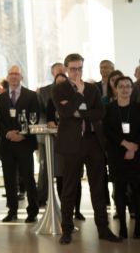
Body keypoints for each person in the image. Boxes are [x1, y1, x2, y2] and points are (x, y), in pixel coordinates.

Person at [52, 53, 121, 245]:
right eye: (73, 68)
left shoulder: (92, 88)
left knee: (98, 188)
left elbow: (100, 112)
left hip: (93, 142)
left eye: (80, 68)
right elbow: (65, 113)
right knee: (69, 188)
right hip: (72, 144)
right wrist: (78, 95)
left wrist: (79, 111)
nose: (77, 72)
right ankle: (66, 230)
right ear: (66, 69)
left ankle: (103, 229)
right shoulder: (60, 90)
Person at [0, 65, 40, 223]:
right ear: (7, 77)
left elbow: (34, 117)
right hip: (7, 144)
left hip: (24, 143)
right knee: (9, 179)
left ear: (21, 77)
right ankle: (12, 211)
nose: (13, 77)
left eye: (16, 74)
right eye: (11, 74)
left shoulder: (31, 95)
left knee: (28, 178)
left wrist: (23, 134)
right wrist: (8, 133)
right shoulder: (1, 98)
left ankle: (33, 211)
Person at [103, 76, 140, 238]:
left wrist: (134, 147)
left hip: (137, 154)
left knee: (138, 192)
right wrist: (125, 144)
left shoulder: (138, 108)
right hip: (117, 155)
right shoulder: (109, 109)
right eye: (121, 86)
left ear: (132, 89)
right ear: (116, 89)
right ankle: (123, 228)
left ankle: (138, 227)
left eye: (128, 86)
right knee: (119, 191)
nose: (125, 89)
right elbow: (107, 131)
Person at [46, 73, 85, 221]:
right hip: (59, 141)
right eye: (59, 83)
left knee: (77, 178)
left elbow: (80, 114)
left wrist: (70, 110)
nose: (62, 85)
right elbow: (52, 120)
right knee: (62, 177)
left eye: (64, 82)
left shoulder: (77, 96)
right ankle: (65, 210)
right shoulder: (52, 100)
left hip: (77, 141)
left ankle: (78, 210)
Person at [37, 62, 66, 206]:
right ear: (52, 72)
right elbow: (41, 113)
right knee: (45, 169)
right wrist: (51, 128)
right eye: (58, 70)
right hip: (48, 137)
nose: (61, 71)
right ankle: (42, 198)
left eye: (63, 69)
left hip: (67, 136)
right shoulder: (43, 91)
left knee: (64, 171)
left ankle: (68, 203)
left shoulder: (73, 89)